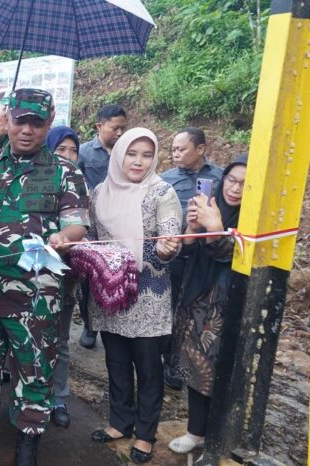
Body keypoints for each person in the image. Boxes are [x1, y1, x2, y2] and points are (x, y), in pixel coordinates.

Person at [0, 90, 89, 466]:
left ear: (49, 122)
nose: (27, 130)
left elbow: (76, 223)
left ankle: (28, 438)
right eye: (20, 121)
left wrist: (65, 237)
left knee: (34, 366)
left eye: (37, 123)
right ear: (6, 120)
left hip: (35, 294)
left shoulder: (65, 172)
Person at [87, 128, 181, 465]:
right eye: (132, 153)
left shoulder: (161, 192)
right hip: (110, 294)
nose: (139, 161)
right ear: (119, 154)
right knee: (116, 363)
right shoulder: (100, 192)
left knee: (148, 368)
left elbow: (171, 234)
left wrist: (167, 248)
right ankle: (119, 423)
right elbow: (92, 237)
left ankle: (144, 434)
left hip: (147, 295)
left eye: (146, 155)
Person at [168, 155, 247, 455]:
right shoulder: (215, 208)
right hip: (196, 299)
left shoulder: (255, 221)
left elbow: (237, 257)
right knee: (193, 369)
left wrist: (215, 232)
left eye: (244, 184)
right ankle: (195, 431)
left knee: (220, 375)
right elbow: (188, 250)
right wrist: (192, 229)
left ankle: (218, 438)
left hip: (227, 309)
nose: (236, 190)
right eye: (231, 180)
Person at [160, 127, 224, 390]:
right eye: (173, 149)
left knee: (197, 313)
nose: (175, 154)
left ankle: (194, 365)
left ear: (200, 149)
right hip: (177, 253)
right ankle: (170, 362)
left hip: (207, 256)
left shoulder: (220, 178)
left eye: (181, 149)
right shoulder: (165, 179)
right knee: (172, 308)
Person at [76, 104, 128, 349]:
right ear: (99, 126)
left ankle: (114, 321)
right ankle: (89, 324)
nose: (119, 133)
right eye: (114, 128)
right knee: (90, 276)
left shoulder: (128, 152)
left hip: (120, 224)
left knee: (118, 272)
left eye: (123, 128)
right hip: (91, 225)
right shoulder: (84, 153)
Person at [43, 125, 81, 429]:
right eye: (61, 150)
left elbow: (81, 228)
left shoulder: (79, 184)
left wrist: (66, 236)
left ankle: (58, 396)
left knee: (60, 340)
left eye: (73, 150)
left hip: (62, 280)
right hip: (25, 280)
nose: (68, 156)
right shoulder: (37, 178)